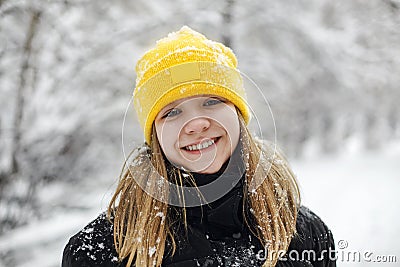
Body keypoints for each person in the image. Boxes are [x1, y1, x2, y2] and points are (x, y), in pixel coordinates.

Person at [62, 26, 336, 267]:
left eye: (211, 101)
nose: (195, 124)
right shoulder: (101, 251)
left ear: (238, 114)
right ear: (155, 134)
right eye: (171, 112)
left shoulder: (304, 234)